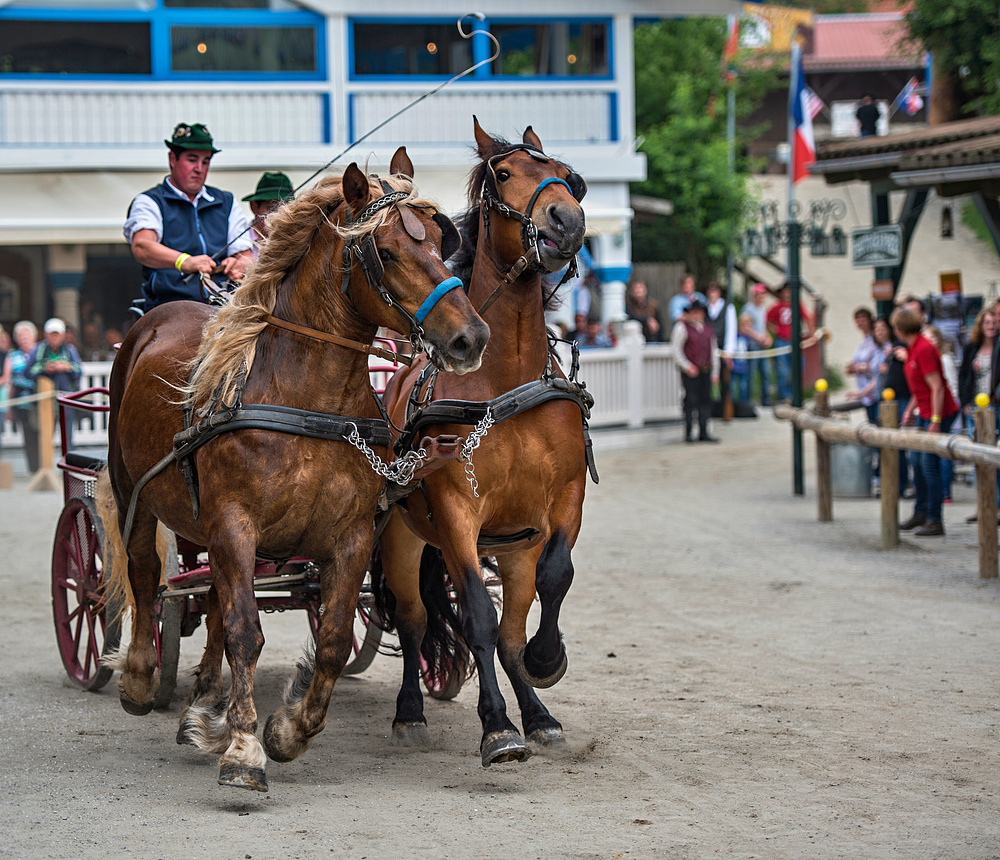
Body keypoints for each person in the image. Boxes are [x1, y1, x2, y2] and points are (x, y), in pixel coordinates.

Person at [124, 122, 253, 310]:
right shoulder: (150, 201)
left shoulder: (226, 201)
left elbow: (246, 256)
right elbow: (143, 246)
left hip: (224, 306)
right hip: (168, 307)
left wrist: (240, 263)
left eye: (205, 161)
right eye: (192, 160)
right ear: (172, 159)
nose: (199, 168)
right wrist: (184, 261)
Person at [893, 306, 959, 537]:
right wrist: (910, 410)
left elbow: (937, 387)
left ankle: (934, 519)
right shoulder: (912, 349)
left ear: (901, 328)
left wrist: (936, 420)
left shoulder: (924, 349)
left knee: (929, 466)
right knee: (917, 463)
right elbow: (919, 387)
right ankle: (920, 512)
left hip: (939, 411)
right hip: (924, 410)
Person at [671, 298, 720, 443]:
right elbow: (676, 350)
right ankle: (688, 433)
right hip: (691, 371)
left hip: (705, 369)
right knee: (690, 401)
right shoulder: (682, 328)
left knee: (705, 401)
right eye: (694, 312)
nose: (696, 315)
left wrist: (715, 371)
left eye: (699, 312)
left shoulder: (708, 330)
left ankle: (704, 432)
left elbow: (714, 351)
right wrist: (687, 366)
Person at [29, 318, 82, 451]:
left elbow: (79, 371)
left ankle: (68, 467)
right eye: (51, 334)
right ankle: (46, 469)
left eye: (57, 334)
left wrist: (66, 367)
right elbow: (28, 372)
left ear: (63, 335)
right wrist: (44, 368)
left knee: (67, 438)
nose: (54, 337)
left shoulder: (70, 350)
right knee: (45, 438)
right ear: (46, 334)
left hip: (66, 402)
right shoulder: (38, 350)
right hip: (44, 402)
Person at [766, 283, 813, 402]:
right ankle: (784, 396)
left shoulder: (798, 305)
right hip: (781, 341)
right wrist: (774, 330)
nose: (787, 294)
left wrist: (811, 334)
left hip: (795, 341)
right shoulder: (777, 307)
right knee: (783, 370)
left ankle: (795, 393)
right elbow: (767, 319)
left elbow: (807, 318)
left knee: (799, 367)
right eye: (785, 292)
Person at [4, 321, 40, 473]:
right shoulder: (13, 356)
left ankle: (42, 467)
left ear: (33, 337)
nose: (23, 339)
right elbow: (9, 381)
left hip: (39, 400)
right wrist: (10, 407)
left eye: (26, 335)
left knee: (41, 435)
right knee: (28, 437)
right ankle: (33, 469)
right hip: (22, 402)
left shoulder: (40, 352)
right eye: (20, 336)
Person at [242, 171, 294, 260]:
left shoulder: (295, 241)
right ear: (254, 207)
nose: (278, 216)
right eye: (272, 208)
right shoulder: (240, 241)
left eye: (285, 209)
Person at [845, 306, 882, 423]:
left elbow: (878, 365)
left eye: (863, 319)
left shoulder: (874, 340)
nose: (860, 322)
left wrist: (860, 367)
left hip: (874, 390)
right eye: (857, 320)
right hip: (865, 392)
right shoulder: (864, 340)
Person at [743, 283, 773, 405]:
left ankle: (766, 399)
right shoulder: (748, 309)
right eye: (760, 294)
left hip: (762, 345)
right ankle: (748, 400)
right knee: (751, 373)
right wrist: (758, 338)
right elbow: (745, 327)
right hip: (752, 344)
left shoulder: (762, 310)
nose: (762, 297)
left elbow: (763, 327)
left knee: (766, 372)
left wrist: (768, 338)